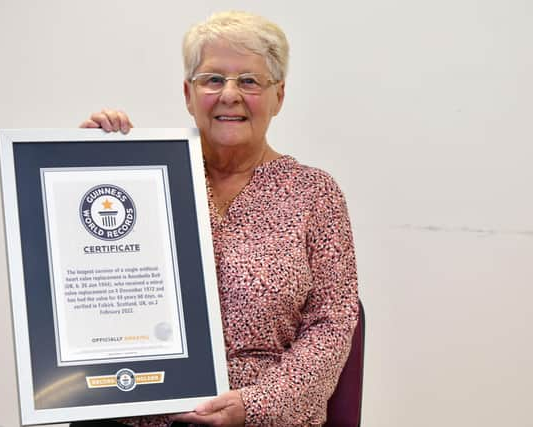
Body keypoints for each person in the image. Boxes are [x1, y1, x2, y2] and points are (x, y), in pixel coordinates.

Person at [75, 10, 359, 427]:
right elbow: (85, 282)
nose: (229, 94)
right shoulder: (143, 180)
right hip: (136, 409)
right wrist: (82, 162)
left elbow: (331, 325)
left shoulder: (315, 194)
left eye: (249, 81)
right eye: (212, 79)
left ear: (279, 96)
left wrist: (257, 406)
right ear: (188, 94)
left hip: (259, 416)